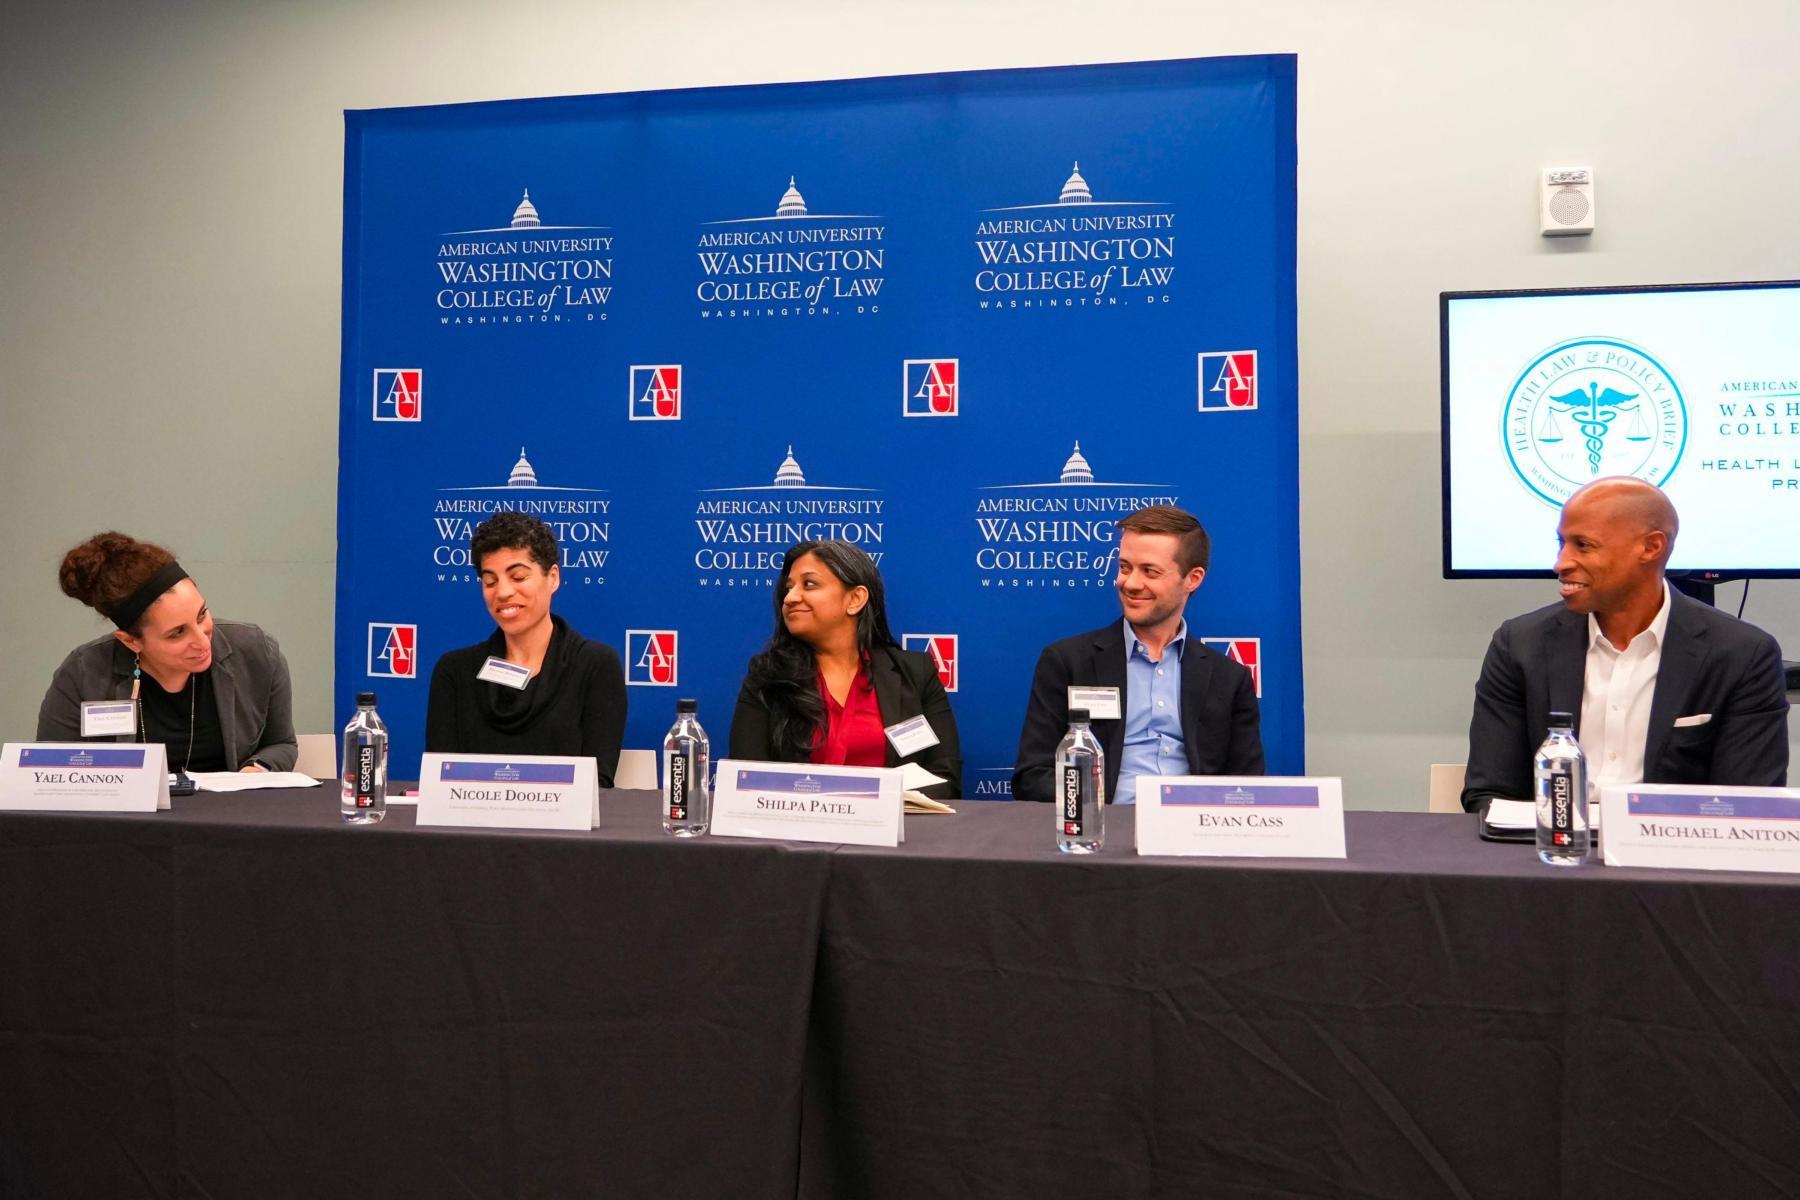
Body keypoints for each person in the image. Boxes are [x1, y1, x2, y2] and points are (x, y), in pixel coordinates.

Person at [1462, 476, 1788, 811]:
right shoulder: (1519, 645)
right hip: (1547, 851)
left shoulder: (1742, 654)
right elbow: (1489, 794)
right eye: (1562, 543)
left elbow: (1749, 805)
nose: (1561, 563)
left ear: (1651, 547)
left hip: (1672, 855)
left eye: (1583, 545)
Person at [1012, 505, 1263, 805]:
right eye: (1124, 567)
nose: (1129, 583)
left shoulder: (1229, 679)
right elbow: (1032, 777)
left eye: (1150, 571)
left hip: (1192, 834)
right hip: (1099, 831)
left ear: (1192, 579)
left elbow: (1248, 789)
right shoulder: (1068, 662)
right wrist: (1094, 807)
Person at [37, 531, 297, 772]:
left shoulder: (256, 652)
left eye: (202, 615)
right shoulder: (83, 674)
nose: (203, 641)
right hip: (128, 819)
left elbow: (282, 744)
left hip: (229, 816)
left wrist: (255, 770)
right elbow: (53, 768)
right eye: (177, 633)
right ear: (131, 641)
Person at [730, 540, 962, 799]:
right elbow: (746, 781)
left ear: (855, 599)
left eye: (809, 584)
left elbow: (945, 779)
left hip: (899, 833)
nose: (791, 598)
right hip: (798, 834)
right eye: (789, 587)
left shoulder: (915, 673)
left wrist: (872, 807)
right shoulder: (767, 676)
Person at [425, 511, 627, 785]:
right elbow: (441, 783)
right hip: (472, 827)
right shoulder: (454, 672)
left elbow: (598, 785)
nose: (503, 592)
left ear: (553, 577)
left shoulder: (595, 665)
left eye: (518, 577)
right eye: (490, 581)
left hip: (562, 828)